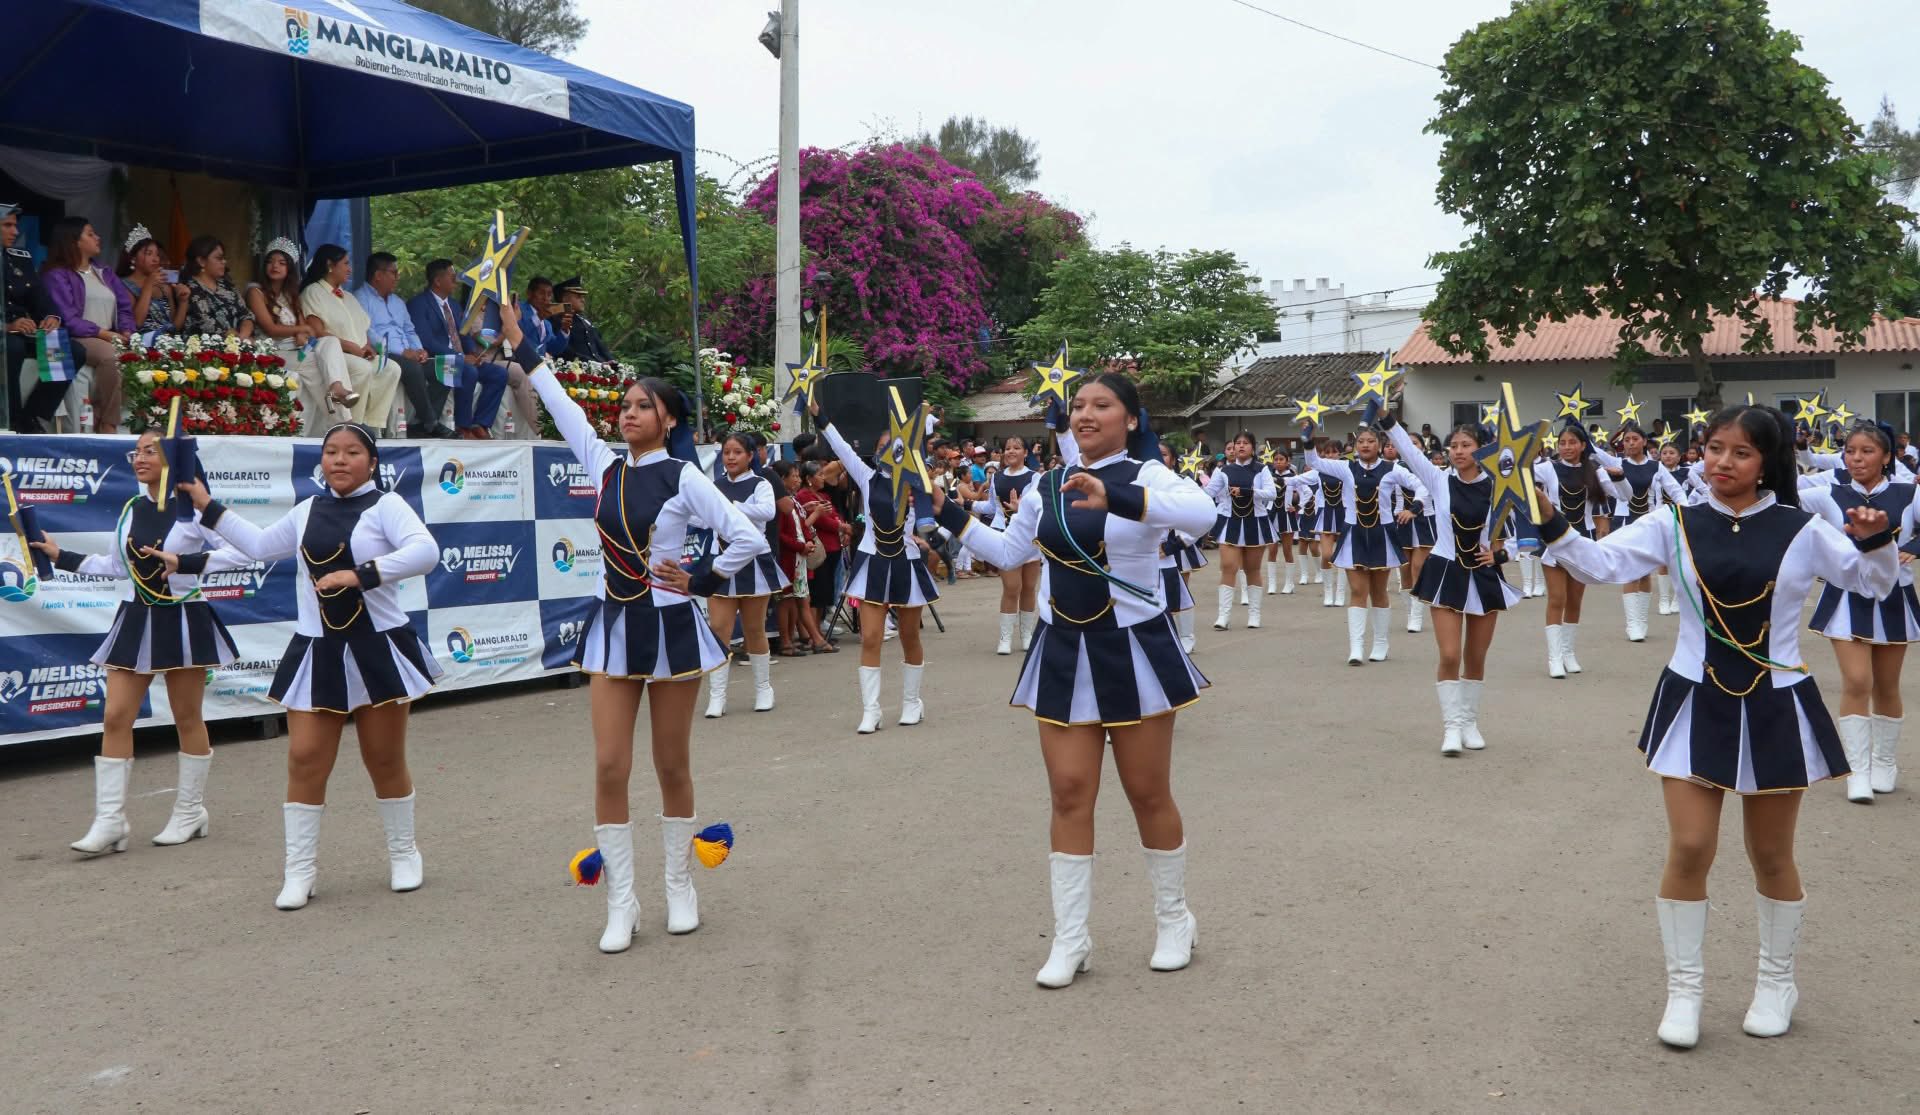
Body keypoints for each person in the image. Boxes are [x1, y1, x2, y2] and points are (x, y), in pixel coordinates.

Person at [1535, 404, 1897, 1048]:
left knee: (1771, 855)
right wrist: (1548, 517)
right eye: (1713, 448)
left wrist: (1876, 538)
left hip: (1776, 702)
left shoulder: (1804, 527)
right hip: (1694, 700)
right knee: (1691, 846)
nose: (1722, 462)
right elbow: (1598, 565)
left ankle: (1776, 983)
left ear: (1767, 463)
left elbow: (1872, 584)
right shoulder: (1673, 521)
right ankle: (1685, 992)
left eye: (1741, 452)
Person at [928, 372, 1215, 987]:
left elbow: (1204, 516)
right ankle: (1072, 938)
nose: (1086, 414)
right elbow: (1010, 553)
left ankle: (1174, 920)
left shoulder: (1148, 476)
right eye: (1079, 405)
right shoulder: (1044, 485)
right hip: (1063, 650)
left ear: (1130, 419)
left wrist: (1118, 497)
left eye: (1102, 405)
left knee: (1147, 793)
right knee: (1068, 791)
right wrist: (944, 510)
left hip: (1134, 651)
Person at [512, 303, 763, 952]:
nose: (628, 413)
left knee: (671, 762)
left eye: (642, 406)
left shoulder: (683, 475)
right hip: (615, 627)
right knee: (608, 764)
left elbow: (746, 535)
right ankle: (621, 901)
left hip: (671, 628)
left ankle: (679, 885)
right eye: (624, 405)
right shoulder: (604, 464)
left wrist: (701, 578)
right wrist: (520, 343)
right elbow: (562, 404)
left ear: (668, 419)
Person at [170, 424, 442, 909]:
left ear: (372, 462)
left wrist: (359, 575)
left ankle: (404, 853)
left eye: (352, 452)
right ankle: (300, 871)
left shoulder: (387, 506)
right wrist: (206, 505)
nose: (340, 460)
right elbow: (257, 545)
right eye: (331, 451)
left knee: (383, 758)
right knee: (304, 758)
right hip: (318, 650)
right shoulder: (306, 510)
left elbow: (426, 552)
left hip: (377, 648)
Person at [29, 432, 241, 854]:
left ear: (173, 459)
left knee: (187, 717)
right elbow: (115, 565)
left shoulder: (194, 510)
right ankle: (111, 821)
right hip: (137, 617)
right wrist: (59, 556)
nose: (139, 458)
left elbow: (242, 552)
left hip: (182, 617)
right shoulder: (131, 508)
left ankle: (190, 811)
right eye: (136, 451)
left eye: (150, 451)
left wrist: (187, 562)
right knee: (115, 716)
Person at [1382, 413, 1520, 755]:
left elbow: (1521, 533)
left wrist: (1502, 556)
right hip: (1445, 571)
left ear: (1482, 449)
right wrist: (1386, 419)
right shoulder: (1438, 478)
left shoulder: (1498, 485)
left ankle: (1470, 722)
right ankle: (1452, 727)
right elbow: (1409, 451)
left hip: (1483, 575)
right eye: (1453, 446)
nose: (1458, 451)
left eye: (1466, 445)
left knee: (1476, 655)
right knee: (1449, 653)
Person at [1800, 420, 1919, 803]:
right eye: (1850, 451)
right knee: (1856, 681)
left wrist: (1915, 547)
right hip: (1845, 598)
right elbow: (1782, 497)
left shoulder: (1909, 493)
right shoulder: (1828, 493)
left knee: (1886, 685)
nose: (1856, 458)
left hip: (1894, 597)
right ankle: (1858, 771)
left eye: (1867, 451)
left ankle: (1884, 763)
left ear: (1886, 456)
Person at [807, 395, 940, 734]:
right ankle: (871, 710)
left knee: (909, 635)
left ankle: (912, 702)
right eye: (881, 447)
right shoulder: (867, 477)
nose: (886, 451)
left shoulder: (916, 483)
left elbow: (935, 515)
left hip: (906, 563)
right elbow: (841, 447)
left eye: (892, 446)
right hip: (873, 564)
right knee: (870, 637)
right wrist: (819, 415)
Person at [1305, 426, 1414, 664]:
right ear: (1355, 446)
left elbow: (1422, 485)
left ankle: (1381, 644)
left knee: (1378, 591)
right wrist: (1308, 439)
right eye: (1361, 441)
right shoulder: (1346, 468)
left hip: (1382, 535)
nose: (1365, 445)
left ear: (1379, 445)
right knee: (1357, 590)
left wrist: (1414, 508)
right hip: (1354, 534)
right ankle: (1356, 648)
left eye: (1370, 441)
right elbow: (1314, 462)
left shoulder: (1392, 469)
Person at [703, 432, 787, 717]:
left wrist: (732, 507)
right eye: (726, 452)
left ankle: (763, 688)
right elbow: (701, 515)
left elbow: (768, 511)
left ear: (750, 456)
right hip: (721, 559)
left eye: (737, 452)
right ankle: (717, 695)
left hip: (753, 562)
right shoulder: (715, 485)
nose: (730, 457)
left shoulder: (760, 484)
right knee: (719, 629)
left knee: (754, 630)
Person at [245, 239, 359, 434]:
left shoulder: (291, 294)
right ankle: (344, 423)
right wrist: (299, 330)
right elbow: (271, 329)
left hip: (296, 349)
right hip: (273, 351)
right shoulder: (256, 292)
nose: (275, 266)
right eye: (270, 262)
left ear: (289, 268)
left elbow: (307, 330)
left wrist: (302, 334)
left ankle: (337, 387)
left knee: (330, 341)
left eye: (282, 263)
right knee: (317, 366)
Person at [1591, 423, 1689, 640]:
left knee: (1645, 572)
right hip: (1625, 521)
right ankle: (1633, 623)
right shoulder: (1618, 463)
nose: (1630, 443)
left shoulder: (1656, 466)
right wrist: (1577, 426)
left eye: (1635, 439)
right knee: (1630, 571)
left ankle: (1642, 621)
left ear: (1644, 442)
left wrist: (1687, 512)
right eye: (1627, 440)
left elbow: (1675, 490)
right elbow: (1593, 451)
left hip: (1649, 522)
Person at [1532, 423, 1611, 678]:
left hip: (1582, 541)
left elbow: (1623, 493)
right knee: (1557, 599)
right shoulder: (1548, 468)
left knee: (1575, 601)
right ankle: (1554, 658)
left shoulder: (1594, 470)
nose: (1566, 447)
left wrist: (1616, 473)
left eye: (1572, 442)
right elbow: (1521, 474)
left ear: (1583, 445)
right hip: (1554, 539)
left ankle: (1568, 653)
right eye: (1562, 443)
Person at [37, 215, 128, 433]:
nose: (97, 237)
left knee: (137, 358)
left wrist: (127, 330)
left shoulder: (104, 272)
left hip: (108, 335)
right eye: (90, 234)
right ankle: (109, 423)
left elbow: (124, 306)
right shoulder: (56, 275)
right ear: (73, 241)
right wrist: (103, 333)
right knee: (112, 356)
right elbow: (66, 317)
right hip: (77, 337)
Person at [300, 245, 401, 433]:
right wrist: (349, 347)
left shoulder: (349, 297)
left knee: (391, 368)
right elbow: (317, 333)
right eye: (346, 264)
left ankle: (372, 425)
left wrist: (367, 346)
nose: (350, 269)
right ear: (330, 265)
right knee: (362, 369)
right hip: (334, 355)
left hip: (358, 353)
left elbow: (363, 328)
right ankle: (351, 425)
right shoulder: (313, 292)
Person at [408, 258, 509, 439]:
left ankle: (481, 424)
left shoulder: (454, 305)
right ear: (437, 281)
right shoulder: (419, 304)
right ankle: (463, 426)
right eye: (452, 276)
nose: (456, 279)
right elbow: (426, 340)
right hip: (437, 359)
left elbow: (463, 333)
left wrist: (472, 352)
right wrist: (460, 357)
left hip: (461, 357)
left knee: (499, 374)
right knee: (468, 371)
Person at [356, 252, 453, 438]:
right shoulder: (361, 298)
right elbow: (367, 332)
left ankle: (421, 424)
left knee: (448, 368)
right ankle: (431, 422)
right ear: (378, 275)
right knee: (412, 368)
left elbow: (409, 330)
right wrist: (402, 352)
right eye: (393, 272)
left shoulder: (398, 302)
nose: (397, 277)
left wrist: (419, 350)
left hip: (408, 353)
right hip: (383, 353)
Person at [2, 202, 80, 432]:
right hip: (6, 332)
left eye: (15, 225)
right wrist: (7, 326)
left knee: (73, 350)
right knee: (12, 348)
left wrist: (51, 316)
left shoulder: (20, 258)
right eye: (7, 225)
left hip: (24, 329)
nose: (15, 231)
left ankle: (32, 415)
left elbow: (38, 295)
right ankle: (11, 419)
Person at [1202, 431, 1276, 630]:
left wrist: (1248, 492)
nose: (1241, 446)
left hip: (1255, 522)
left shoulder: (1262, 469)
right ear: (1233, 447)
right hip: (1230, 522)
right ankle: (1223, 616)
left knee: (1252, 569)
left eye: (1246, 443)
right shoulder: (1223, 470)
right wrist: (1191, 486)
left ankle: (1254, 615)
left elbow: (1272, 493)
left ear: (1253, 447)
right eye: (1238, 443)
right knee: (1228, 566)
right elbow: (1209, 493)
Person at [974, 435, 1041, 655]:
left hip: (1029, 537)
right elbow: (992, 508)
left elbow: (1037, 508)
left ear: (1025, 453)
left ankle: (1027, 635)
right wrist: (968, 504)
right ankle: (1005, 637)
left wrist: (1020, 509)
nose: (1011, 451)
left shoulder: (1035, 478)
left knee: (1029, 587)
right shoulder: (997, 477)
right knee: (1012, 587)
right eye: (1008, 448)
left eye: (1017, 448)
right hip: (1006, 535)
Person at [797, 461, 848, 647]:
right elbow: (822, 522)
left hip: (833, 547)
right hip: (819, 550)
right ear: (809, 479)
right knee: (816, 594)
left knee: (824, 595)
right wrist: (842, 527)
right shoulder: (804, 496)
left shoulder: (824, 495)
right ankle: (813, 635)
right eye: (819, 475)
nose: (823, 478)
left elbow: (834, 515)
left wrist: (841, 526)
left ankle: (818, 631)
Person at [178, 235, 255, 339]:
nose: (224, 261)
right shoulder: (189, 288)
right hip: (206, 346)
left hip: (239, 341)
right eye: (219, 258)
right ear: (201, 261)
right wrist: (239, 340)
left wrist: (244, 334)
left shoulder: (226, 285)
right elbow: (206, 324)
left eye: (224, 258)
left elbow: (246, 314)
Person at [115, 225, 184, 335]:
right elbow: (136, 323)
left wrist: (184, 302)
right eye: (149, 253)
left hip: (168, 342)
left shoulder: (164, 287)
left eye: (157, 254)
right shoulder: (123, 285)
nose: (156, 259)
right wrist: (148, 285)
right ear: (133, 258)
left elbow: (174, 327)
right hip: (141, 342)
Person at [555, 277, 613, 363]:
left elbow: (601, 346)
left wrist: (612, 362)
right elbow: (565, 351)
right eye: (578, 297)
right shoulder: (555, 320)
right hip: (576, 368)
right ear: (565, 299)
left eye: (583, 297)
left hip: (600, 367)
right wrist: (596, 364)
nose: (583, 300)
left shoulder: (584, 321)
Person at [517, 276, 571, 359]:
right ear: (529, 293)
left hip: (539, 364)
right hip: (517, 361)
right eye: (541, 293)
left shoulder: (547, 324)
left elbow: (554, 349)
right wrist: (538, 317)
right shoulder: (518, 308)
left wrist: (564, 330)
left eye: (549, 295)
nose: (546, 298)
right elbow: (516, 332)